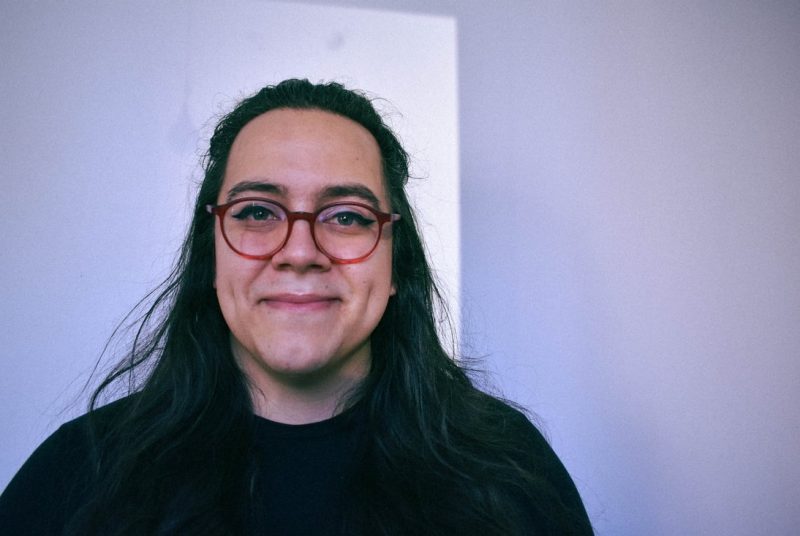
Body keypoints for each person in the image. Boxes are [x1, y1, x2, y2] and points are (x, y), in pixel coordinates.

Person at [0, 79, 593, 535]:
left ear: (395, 268)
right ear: (211, 257)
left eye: (347, 217)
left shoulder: (509, 473)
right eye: (258, 211)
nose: (301, 252)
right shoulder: (81, 475)